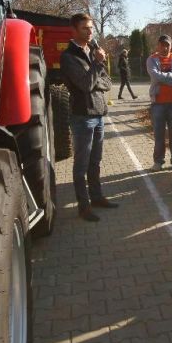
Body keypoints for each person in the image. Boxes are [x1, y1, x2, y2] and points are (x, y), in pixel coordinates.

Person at [61, 13, 119, 222]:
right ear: (74, 30)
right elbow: (84, 85)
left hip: (99, 114)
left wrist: (95, 72)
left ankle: (97, 197)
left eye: (91, 28)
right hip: (82, 117)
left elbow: (108, 83)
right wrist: (96, 66)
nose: (90, 31)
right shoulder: (69, 57)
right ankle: (83, 207)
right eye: (85, 28)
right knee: (82, 163)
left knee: (96, 161)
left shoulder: (92, 52)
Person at [147, 34, 172, 172]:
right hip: (158, 103)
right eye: (162, 45)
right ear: (158, 45)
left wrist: (164, 78)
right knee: (159, 135)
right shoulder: (151, 59)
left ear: (171, 45)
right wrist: (171, 76)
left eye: (167, 45)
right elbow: (154, 75)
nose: (164, 47)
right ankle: (158, 162)